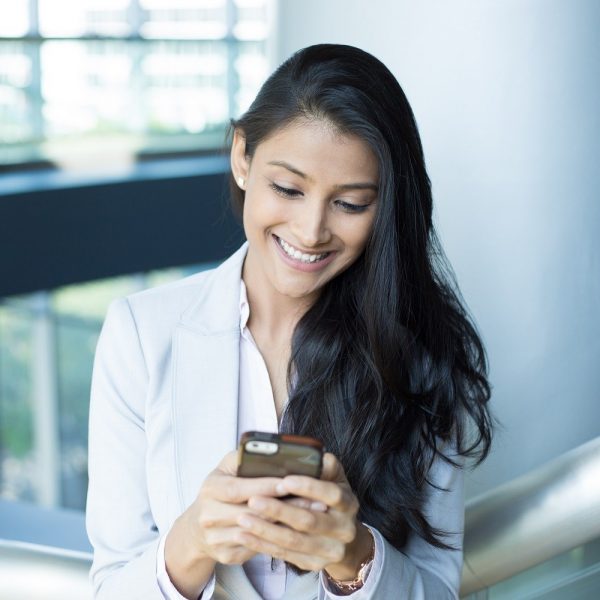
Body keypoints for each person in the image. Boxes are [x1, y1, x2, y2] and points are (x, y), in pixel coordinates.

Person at [86, 43, 492, 600]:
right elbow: (110, 587)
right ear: (242, 158)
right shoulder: (141, 333)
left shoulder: (419, 358)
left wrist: (353, 554)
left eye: (350, 204)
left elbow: (437, 592)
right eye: (288, 189)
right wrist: (194, 539)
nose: (309, 231)